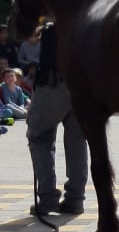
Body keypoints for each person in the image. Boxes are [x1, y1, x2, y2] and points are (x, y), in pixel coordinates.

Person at [25, 21, 87, 216]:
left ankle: (48, 198)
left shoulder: (53, 27)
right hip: (81, 87)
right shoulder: (87, 23)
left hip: (52, 85)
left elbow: (25, 32)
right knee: (77, 141)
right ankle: (75, 199)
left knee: (40, 138)